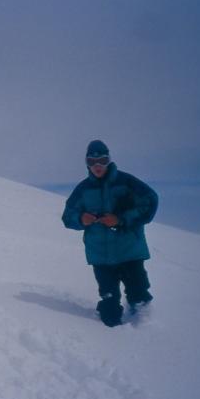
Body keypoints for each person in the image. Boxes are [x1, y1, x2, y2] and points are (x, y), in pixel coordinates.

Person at [61, 140, 158, 327]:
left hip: (130, 251)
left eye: (102, 160)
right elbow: (67, 216)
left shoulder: (126, 182)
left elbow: (150, 202)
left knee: (139, 296)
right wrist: (81, 218)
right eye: (91, 161)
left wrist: (121, 219)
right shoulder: (83, 190)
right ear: (87, 163)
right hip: (101, 256)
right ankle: (109, 334)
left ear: (109, 160)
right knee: (109, 304)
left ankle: (145, 332)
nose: (97, 166)